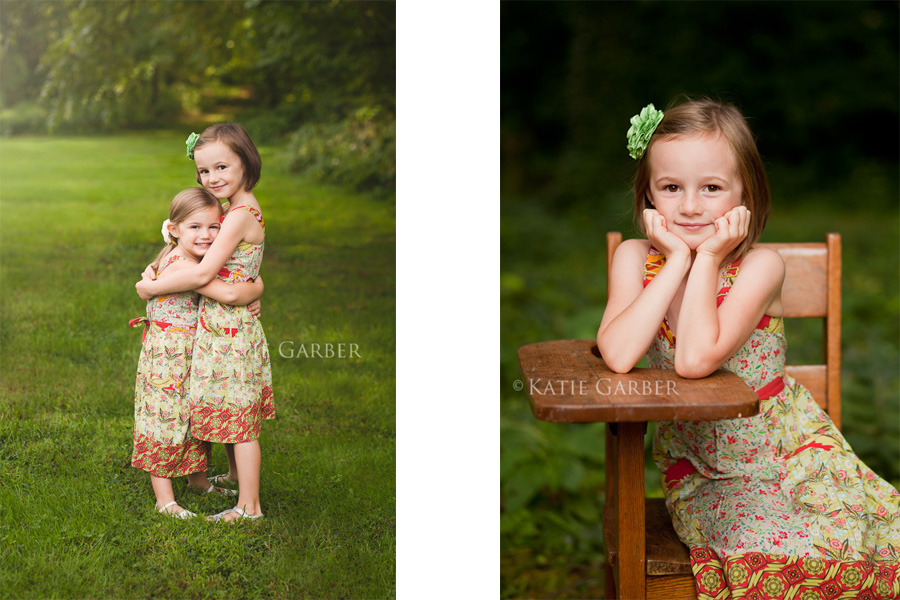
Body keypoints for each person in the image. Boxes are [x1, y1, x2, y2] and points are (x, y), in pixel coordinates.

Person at [597, 99, 899, 597]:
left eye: (711, 188)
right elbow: (619, 354)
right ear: (648, 194)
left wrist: (708, 256)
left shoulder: (761, 266)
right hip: (706, 472)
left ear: (746, 194)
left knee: (849, 542)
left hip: (792, 458)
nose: (689, 207)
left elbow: (697, 356)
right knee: (760, 549)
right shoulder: (635, 258)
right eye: (671, 188)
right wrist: (677, 260)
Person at [136, 123, 273, 522]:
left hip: (228, 329)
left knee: (239, 417)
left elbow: (202, 275)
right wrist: (252, 287)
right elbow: (238, 270)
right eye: (203, 171)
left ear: (246, 162)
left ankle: (249, 507)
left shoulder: (237, 216)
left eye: (221, 167)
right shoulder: (232, 211)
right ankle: (233, 475)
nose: (212, 178)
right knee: (227, 406)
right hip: (218, 326)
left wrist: (150, 287)